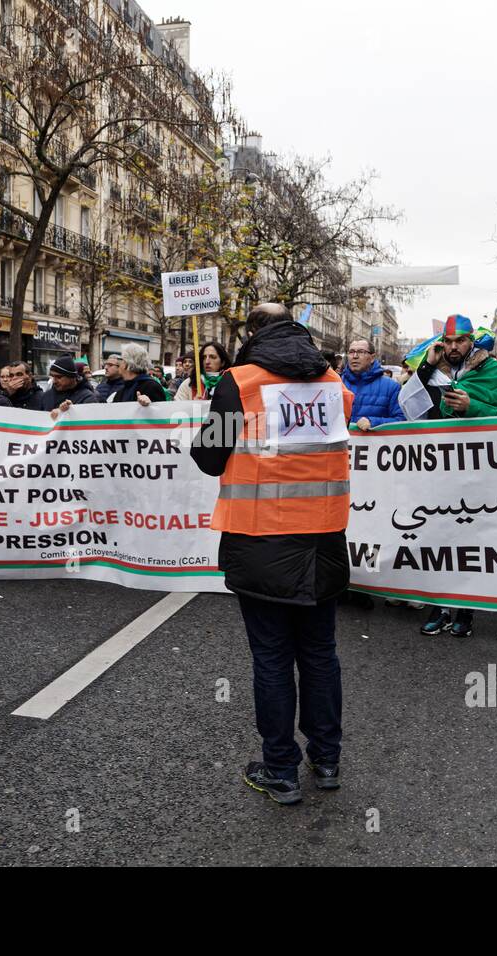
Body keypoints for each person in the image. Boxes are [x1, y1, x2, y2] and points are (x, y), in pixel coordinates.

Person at [190, 303, 354, 805]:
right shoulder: (331, 382)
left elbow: (210, 455)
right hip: (323, 538)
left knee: (273, 658)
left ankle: (280, 769)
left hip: (260, 538)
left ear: (253, 333)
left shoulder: (239, 381)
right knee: (320, 654)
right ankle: (326, 759)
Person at [414, 315, 497, 637]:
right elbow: (410, 407)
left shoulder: (493, 372)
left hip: (478, 469)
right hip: (440, 467)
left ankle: (464, 611)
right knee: (437, 537)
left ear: (471, 340)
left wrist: (473, 406)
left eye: (459, 340)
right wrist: (425, 367)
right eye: (447, 341)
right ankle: (438, 606)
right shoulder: (434, 370)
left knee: (469, 539)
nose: (453, 347)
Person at [341, 338, 404, 432]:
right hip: (340, 446)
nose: (355, 356)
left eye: (361, 352)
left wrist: (373, 422)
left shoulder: (391, 387)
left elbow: (401, 421)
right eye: (351, 352)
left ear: (372, 358)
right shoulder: (336, 383)